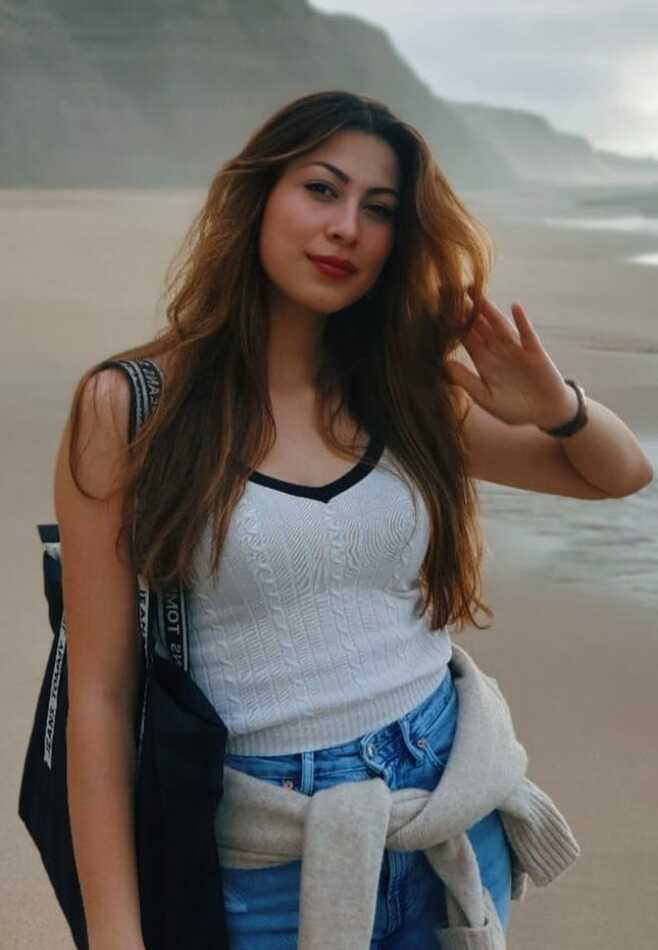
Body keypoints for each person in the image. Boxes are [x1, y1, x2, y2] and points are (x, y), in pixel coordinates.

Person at [55, 90, 653, 949]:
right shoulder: (131, 407)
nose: (347, 229)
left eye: (379, 210)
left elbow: (618, 474)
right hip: (266, 852)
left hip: (448, 808)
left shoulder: (401, 394)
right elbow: (101, 694)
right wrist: (116, 935)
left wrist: (555, 405)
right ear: (259, 196)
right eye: (322, 190)